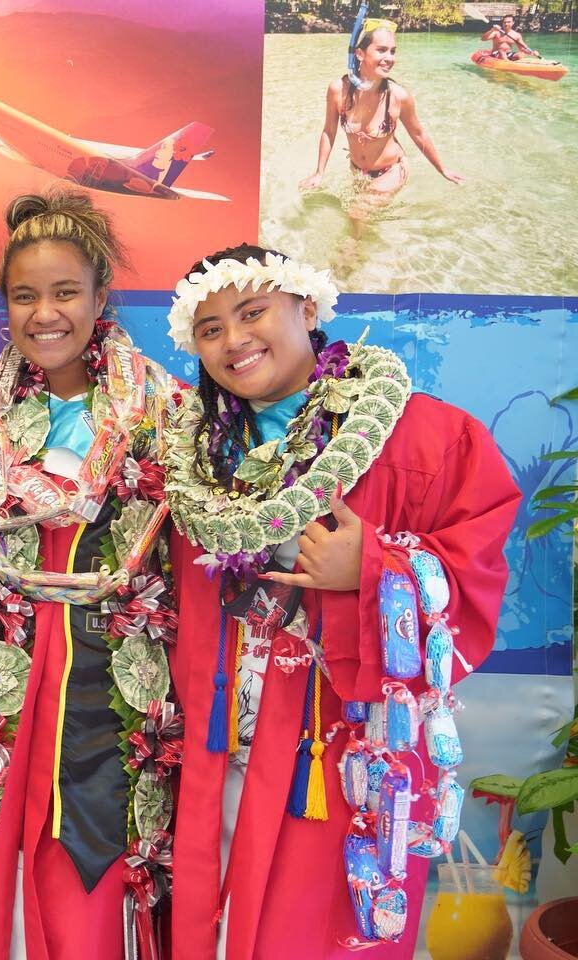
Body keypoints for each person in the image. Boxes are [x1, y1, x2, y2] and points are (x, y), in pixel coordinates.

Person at [160, 244, 520, 959]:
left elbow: (474, 574)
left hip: (335, 755)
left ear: (309, 308)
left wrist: (376, 568)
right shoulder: (193, 459)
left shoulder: (422, 435)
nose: (234, 340)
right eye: (210, 329)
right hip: (219, 747)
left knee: (316, 930)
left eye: (253, 312)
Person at [0, 189, 180, 960]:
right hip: (3, 679)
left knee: (87, 868)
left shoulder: (159, 408)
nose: (45, 313)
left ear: (101, 296)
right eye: (25, 295)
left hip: (105, 680)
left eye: (66, 292)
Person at [299, 19, 463, 218]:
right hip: (358, 172)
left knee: (356, 213)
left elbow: (419, 135)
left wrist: (442, 169)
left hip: (391, 171)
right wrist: (319, 173)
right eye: (382, 50)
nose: (390, 58)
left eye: (392, 51)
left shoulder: (399, 96)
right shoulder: (338, 90)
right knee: (360, 221)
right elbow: (328, 131)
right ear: (360, 53)